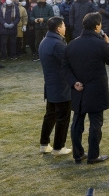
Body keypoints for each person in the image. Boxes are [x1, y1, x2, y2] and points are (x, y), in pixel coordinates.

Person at [63, 12, 109, 164]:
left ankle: (78, 154)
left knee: (77, 122)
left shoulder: (72, 44)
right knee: (95, 123)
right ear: (97, 26)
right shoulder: (100, 43)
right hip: (96, 89)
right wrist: (107, 43)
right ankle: (93, 155)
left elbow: (64, 67)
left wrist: (74, 82)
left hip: (78, 89)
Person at [39, 17, 72, 157]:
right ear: (58, 28)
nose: (65, 28)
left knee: (50, 116)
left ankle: (44, 144)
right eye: (63, 25)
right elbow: (68, 62)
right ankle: (59, 147)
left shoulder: (45, 41)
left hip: (51, 85)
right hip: (61, 86)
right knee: (62, 117)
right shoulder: (57, 44)